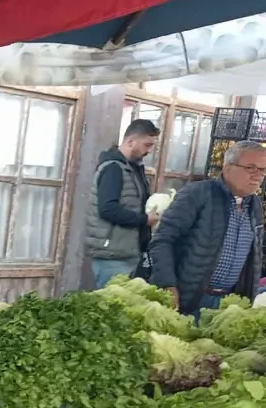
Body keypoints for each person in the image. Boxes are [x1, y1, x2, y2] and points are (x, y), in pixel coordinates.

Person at [150, 140, 266, 318]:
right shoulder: (198, 194)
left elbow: (254, 256)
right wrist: (166, 283)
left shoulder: (255, 205)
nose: (258, 176)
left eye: (263, 170)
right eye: (251, 168)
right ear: (227, 168)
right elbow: (162, 239)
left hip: (229, 303)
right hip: (190, 298)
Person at [86, 119, 161, 288]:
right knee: (112, 308)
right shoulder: (113, 168)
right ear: (130, 141)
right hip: (112, 255)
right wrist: (144, 220)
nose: (149, 151)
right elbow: (107, 209)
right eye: (147, 145)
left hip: (128, 253)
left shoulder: (133, 168)